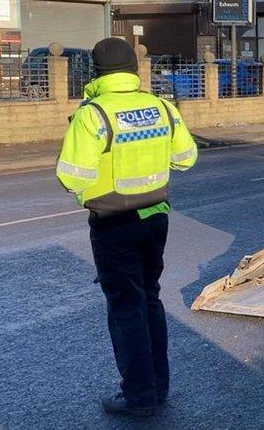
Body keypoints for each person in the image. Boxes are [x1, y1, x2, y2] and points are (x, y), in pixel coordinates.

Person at [56, 38, 198, 416]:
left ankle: (138, 396)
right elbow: (186, 159)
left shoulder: (93, 114)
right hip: (156, 217)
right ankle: (158, 387)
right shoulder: (161, 106)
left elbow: (71, 176)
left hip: (113, 222)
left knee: (126, 307)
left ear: (96, 72)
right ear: (134, 70)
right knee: (149, 298)